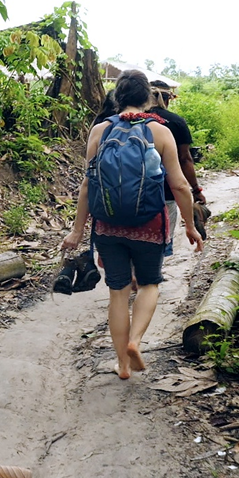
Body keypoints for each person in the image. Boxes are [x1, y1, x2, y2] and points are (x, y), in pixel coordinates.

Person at [62, 70, 203, 380]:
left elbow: (88, 186)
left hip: (108, 225)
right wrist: (190, 226)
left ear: (116, 98)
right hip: (150, 223)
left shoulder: (100, 131)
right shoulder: (161, 131)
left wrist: (76, 231)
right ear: (149, 99)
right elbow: (179, 185)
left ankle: (122, 366)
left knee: (118, 292)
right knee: (150, 283)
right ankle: (135, 342)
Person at [147, 80, 206, 257]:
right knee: (159, 245)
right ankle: (150, 277)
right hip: (165, 193)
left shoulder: (128, 122)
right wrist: (196, 189)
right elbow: (185, 159)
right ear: (168, 99)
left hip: (127, 192)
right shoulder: (175, 122)